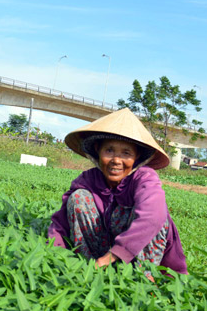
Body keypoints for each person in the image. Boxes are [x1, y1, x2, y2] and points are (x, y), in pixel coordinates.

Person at [48, 108, 187, 277]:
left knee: (159, 215)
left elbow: (153, 217)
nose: (116, 160)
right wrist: (55, 256)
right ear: (98, 151)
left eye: (126, 153)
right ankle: (88, 269)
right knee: (78, 198)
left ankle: (143, 278)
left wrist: (114, 255)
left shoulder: (145, 178)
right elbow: (60, 222)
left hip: (137, 256)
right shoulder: (88, 180)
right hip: (101, 256)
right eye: (109, 151)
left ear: (136, 157)